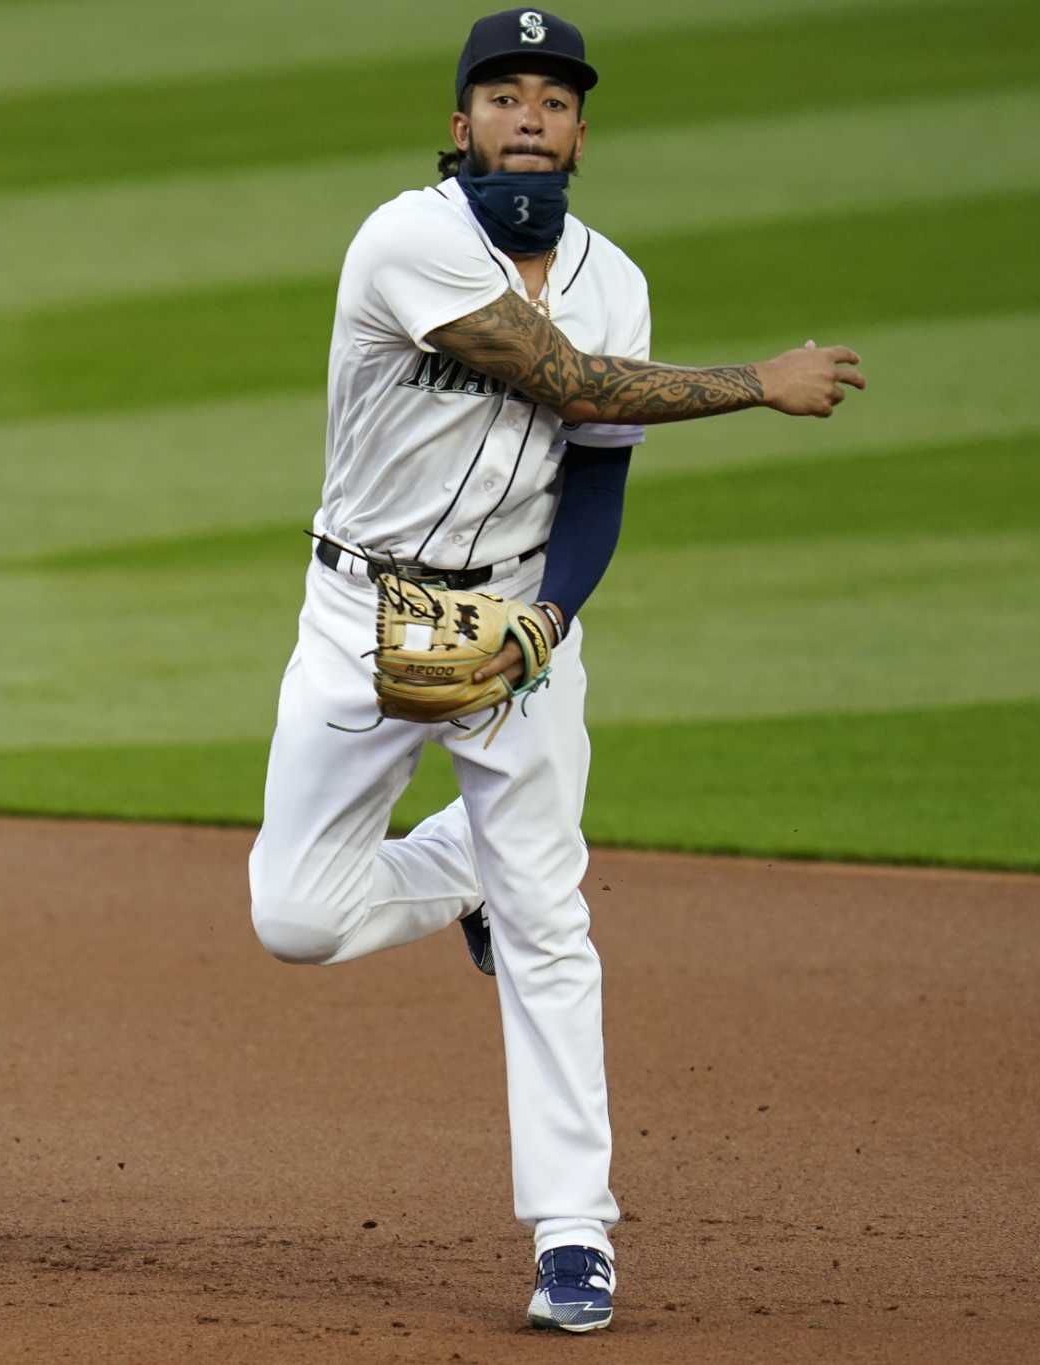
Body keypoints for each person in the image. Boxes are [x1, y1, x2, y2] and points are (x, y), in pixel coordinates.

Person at [246, 9, 863, 1332]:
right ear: (461, 121)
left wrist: (552, 620)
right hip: (358, 616)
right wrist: (758, 382)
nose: (530, 114)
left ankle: (574, 1231)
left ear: (582, 131)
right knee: (294, 917)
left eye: (555, 98)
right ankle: (464, 861)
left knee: (549, 922)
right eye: (504, 94)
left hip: (515, 628)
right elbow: (567, 379)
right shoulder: (404, 240)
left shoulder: (614, 274)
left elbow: (594, 473)